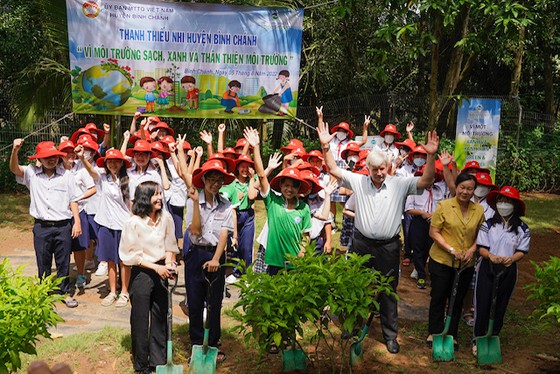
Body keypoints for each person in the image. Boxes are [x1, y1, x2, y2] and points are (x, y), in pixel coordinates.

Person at [316, 107, 440, 354]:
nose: (379, 173)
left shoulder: (399, 184)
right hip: (361, 242)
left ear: (388, 166)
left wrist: (430, 157)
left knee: (388, 290)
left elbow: (426, 181)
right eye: (374, 169)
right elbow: (333, 170)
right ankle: (351, 325)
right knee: (355, 285)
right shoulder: (359, 181)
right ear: (368, 169)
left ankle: (390, 336)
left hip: (389, 246)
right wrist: (326, 147)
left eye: (383, 168)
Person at [10, 139, 81, 308]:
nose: (52, 160)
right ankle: (44, 292)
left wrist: (77, 222)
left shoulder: (67, 175)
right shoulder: (31, 173)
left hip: (63, 225)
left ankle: (64, 292)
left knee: (64, 261)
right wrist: (14, 151)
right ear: (39, 160)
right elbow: (14, 168)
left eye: (54, 156)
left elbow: (73, 200)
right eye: (47, 157)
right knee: (43, 261)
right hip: (41, 226)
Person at [119, 181, 179, 374]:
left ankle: (158, 361)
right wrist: (155, 268)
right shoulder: (133, 223)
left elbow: (170, 245)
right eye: (156, 195)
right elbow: (131, 255)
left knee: (161, 316)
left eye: (161, 194)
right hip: (142, 273)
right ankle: (141, 364)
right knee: (140, 318)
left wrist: (169, 263)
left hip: (161, 269)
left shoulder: (166, 218)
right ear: (145, 198)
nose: (160, 198)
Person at [184, 159, 235, 364]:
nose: (215, 183)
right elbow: (195, 230)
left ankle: (213, 344)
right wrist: (196, 202)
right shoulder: (192, 200)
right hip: (196, 254)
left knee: (214, 302)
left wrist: (216, 258)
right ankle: (196, 343)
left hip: (216, 254)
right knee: (195, 302)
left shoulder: (226, 204)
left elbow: (225, 233)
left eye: (219, 179)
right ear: (203, 180)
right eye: (211, 179)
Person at [427, 173, 485, 350]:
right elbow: (434, 232)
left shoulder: (479, 210)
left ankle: (451, 334)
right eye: (462, 187)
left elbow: (480, 235)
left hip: (465, 263)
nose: (465, 192)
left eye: (469, 189)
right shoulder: (444, 206)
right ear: (456, 187)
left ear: (473, 191)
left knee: (457, 299)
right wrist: (451, 249)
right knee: (439, 296)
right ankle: (435, 332)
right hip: (442, 260)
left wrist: (472, 250)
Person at [473, 186, 530, 357]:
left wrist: (511, 259)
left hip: (508, 269)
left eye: (507, 201)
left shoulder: (522, 228)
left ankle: (493, 334)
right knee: (483, 302)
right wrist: (490, 256)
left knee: (501, 303)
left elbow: (522, 250)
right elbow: (481, 248)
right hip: (487, 267)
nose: (503, 204)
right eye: (500, 201)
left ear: (515, 205)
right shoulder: (488, 224)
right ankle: (478, 338)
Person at [79, 147, 132, 307]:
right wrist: (82, 158)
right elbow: (91, 172)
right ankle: (112, 291)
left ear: (122, 163)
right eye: (110, 161)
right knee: (110, 260)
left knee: (124, 261)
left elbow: (132, 204)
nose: (113, 164)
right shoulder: (103, 178)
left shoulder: (129, 180)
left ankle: (124, 292)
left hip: (124, 226)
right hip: (106, 225)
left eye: (116, 161)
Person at [221, 154, 259, 284]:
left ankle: (248, 274)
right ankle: (236, 273)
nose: (245, 169)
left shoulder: (253, 181)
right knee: (235, 246)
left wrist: (252, 178)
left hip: (247, 215)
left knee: (246, 247)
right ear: (237, 168)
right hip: (233, 215)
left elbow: (252, 196)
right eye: (242, 166)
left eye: (247, 167)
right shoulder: (231, 181)